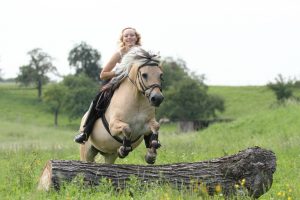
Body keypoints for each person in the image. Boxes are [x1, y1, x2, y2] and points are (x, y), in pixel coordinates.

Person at [74, 27, 142, 144]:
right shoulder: (119, 53)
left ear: (136, 37)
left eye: (132, 35)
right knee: (98, 100)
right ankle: (85, 132)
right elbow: (103, 74)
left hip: (137, 85)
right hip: (118, 82)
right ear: (123, 39)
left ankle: (150, 139)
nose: (129, 37)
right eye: (126, 36)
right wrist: (121, 72)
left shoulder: (142, 53)